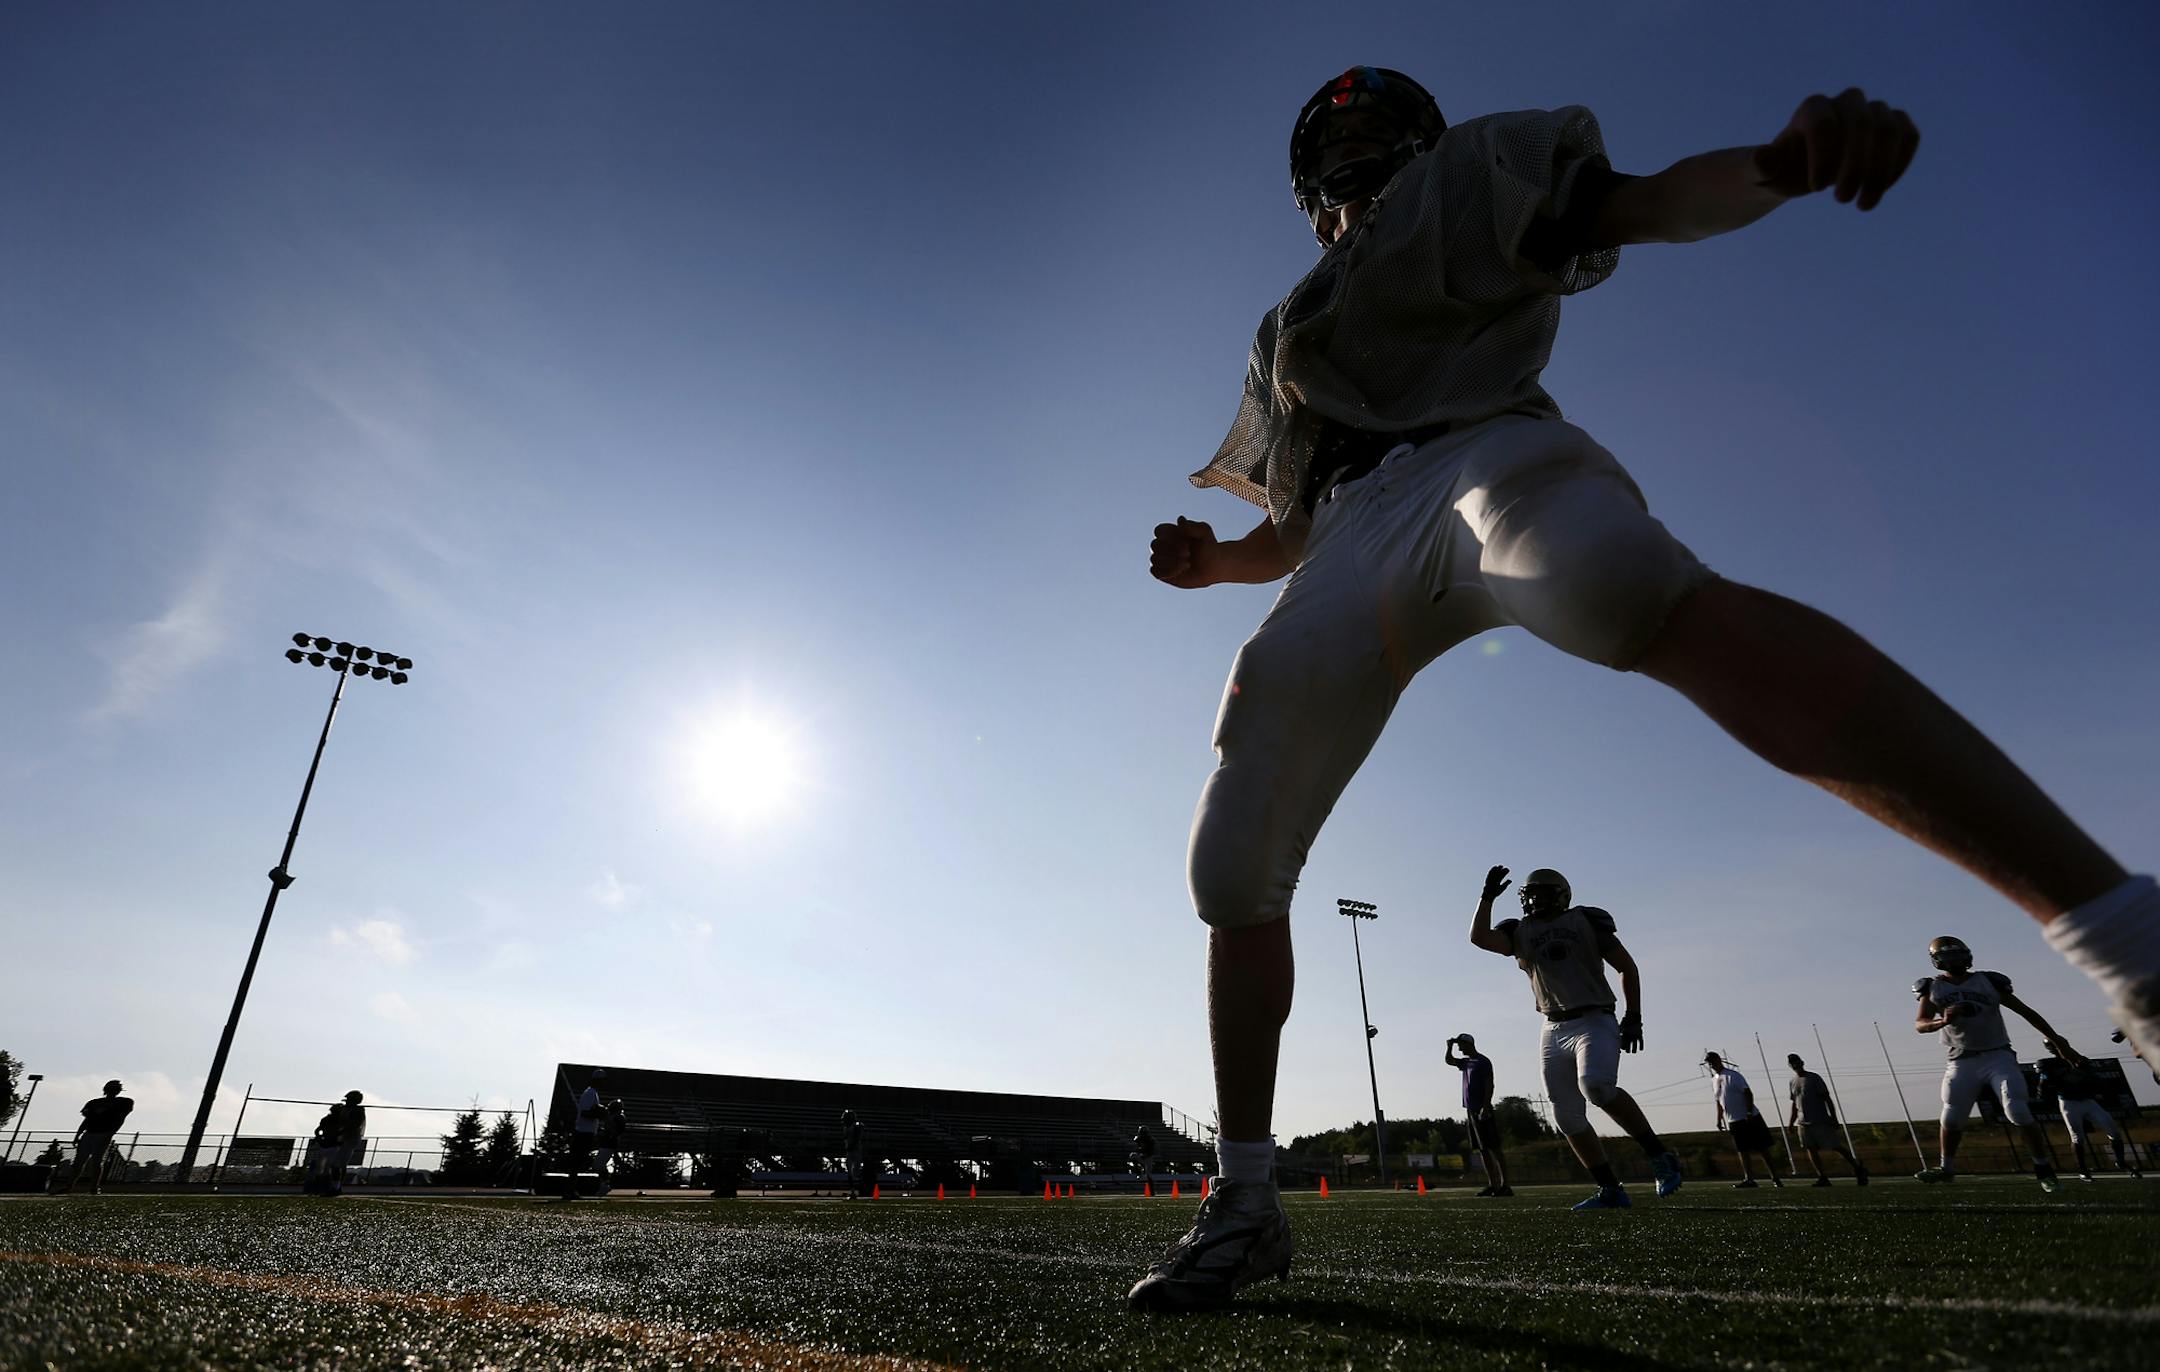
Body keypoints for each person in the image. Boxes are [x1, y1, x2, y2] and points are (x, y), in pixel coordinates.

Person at [1133, 61, 2156, 1311]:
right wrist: (1216, 566)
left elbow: (1651, 200)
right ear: (1311, 197)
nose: (1359, 164)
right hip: (1348, 536)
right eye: (1339, 158)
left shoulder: (1475, 172)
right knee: (1233, 855)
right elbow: (1289, 529)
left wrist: (1778, 165)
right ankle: (1244, 1196)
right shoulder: (1288, 323)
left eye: (1374, 140)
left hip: (1485, 451)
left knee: (1615, 578)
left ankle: (2132, 946)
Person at [1466, 867, 1683, 1215]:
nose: (1535, 899)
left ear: (1563, 894)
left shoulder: (1586, 921)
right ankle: (1610, 1189)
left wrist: (1634, 1017)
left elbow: (1626, 967)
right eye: (1530, 894)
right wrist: (1487, 897)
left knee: (1595, 1085)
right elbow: (1478, 937)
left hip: (1594, 1018)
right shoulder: (1519, 931)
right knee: (1566, 1116)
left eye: (1543, 893)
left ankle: (1660, 1156)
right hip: (1552, 1027)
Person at [1912, 936, 2072, 1190]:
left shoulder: (1988, 981)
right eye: (1948, 955)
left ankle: (2044, 1168)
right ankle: (1946, 1168)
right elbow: (1920, 1025)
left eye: (1958, 954)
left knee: (2017, 1110)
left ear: (1967, 955)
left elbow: (2026, 1012)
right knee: (1952, 1118)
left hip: (1998, 1055)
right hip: (1961, 1059)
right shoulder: (1932, 988)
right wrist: (1942, 1021)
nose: (1955, 960)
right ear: (1937, 961)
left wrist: (2060, 1043)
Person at [2034, 1053, 2143, 1181]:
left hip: (2088, 1101)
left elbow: (2094, 1081)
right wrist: (2050, 1084)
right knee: (2077, 1137)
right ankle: (2083, 1170)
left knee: (2113, 1130)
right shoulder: (2052, 1068)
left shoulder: (2079, 1062)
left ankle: (2121, 1161)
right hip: (2069, 1103)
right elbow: (2042, 1093)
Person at [1443, 1033, 1510, 1196]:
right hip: (1471, 1110)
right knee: (1483, 1149)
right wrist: (1449, 1047)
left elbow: (1489, 1084)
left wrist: (1486, 1106)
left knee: (1494, 1147)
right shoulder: (1466, 1063)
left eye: (1460, 1045)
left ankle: (1505, 1185)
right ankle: (1492, 1185)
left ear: (1468, 1044)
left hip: (1482, 1108)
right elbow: (1449, 1060)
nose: (1459, 1048)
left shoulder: (1482, 1061)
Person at [1703, 1053, 1782, 1188]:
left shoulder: (1733, 1075)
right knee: (1742, 1150)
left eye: (1713, 1061)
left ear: (1719, 1060)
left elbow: (1748, 1093)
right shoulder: (1714, 1080)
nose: (1711, 1065)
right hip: (1734, 1120)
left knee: (1762, 1148)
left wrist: (1749, 1111)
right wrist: (1719, 1119)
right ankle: (1749, 1179)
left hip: (1749, 1117)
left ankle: (1775, 1178)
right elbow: (1719, 1101)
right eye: (1709, 1063)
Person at [1785, 1054, 1867, 1186]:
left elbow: (1827, 1099)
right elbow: (1795, 1104)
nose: (1796, 1066)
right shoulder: (1792, 1082)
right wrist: (1790, 1123)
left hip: (1820, 1119)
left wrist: (1834, 1118)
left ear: (1802, 1062)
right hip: (1803, 1122)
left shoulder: (1814, 1078)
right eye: (1793, 1064)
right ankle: (1822, 1177)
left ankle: (1857, 1167)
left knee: (1835, 1146)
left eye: (1797, 1062)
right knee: (1810, 1148)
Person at [50, 1080, 133, 1196]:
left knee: (96, 1162)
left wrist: (110, 1133)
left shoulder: (122, 1103)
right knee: (81, 1161)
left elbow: (119, 1119)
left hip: (102, 1133)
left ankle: (93, 1187)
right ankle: (71, 1186)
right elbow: (87, 1119)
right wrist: (78, 1133)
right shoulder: (95, 1103)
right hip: (90, 1133)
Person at [560, 1068, 605, 1200]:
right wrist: (598, 1113)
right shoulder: (590, 1093)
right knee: (576, 1163)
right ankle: (569, 1190)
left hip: (586, 1132)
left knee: (578, 1163)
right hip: (583, 1132)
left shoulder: (593, 1093)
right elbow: (585, 1113)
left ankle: (571, 1190)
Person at [596, 1098, 627, 1195]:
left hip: (609, 1143)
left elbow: (617, 1131)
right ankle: (604, 1184)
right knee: (598, 1165)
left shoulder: (618, 1117)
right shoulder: (614, 1117)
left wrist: (610, 1134)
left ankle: (605, 1184)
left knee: (598, 1165)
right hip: (608, 1143)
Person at [842, 1109, 867, 1199]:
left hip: (855, 1151)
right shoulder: (847, 1128)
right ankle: (853, 1192)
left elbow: (857, 1137)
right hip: (850, 1151)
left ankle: (862, 1189)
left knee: (855, 1172)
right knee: (850, 1173)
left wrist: (851, 1146)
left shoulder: (856, 1126)